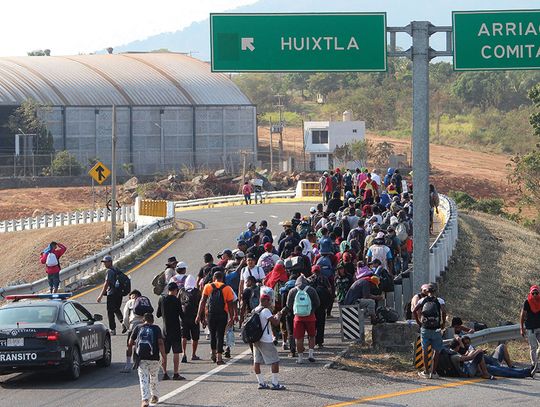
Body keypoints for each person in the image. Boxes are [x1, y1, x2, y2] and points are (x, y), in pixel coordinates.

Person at [196, 271, 235, 365]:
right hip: (222, 314)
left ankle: (213, 354)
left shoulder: (207, 286)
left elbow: (203, 301)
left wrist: (198, 315)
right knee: (220, 335)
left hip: (210, 314)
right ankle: (219, 357)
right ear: (222, 278)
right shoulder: (227, 288)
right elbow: (230, 304)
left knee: (212, 334)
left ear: (214, 278)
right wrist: (232, 317)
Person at [129, 313, 166, 407]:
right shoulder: (156, 328)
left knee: (143, 379)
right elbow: (160, 343)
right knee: (153, 377)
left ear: (143, 320)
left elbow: (130, 342)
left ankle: (145, 400)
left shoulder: (138, 327)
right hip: (154, 358)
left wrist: (132, 353)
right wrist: (164, 356)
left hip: (141, 358)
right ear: (152, 320)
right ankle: (155, 396)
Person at [252, 291, 286, 390]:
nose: (270, 303)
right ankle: (275, 383)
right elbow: (275, 323)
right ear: (265, 301)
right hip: (266, 340)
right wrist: (278, 316)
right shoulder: (266, 310)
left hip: (256, 339)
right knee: (275, 360)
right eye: (269, 301)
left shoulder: (255, 309)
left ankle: (261, 383)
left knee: (256, 361)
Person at [413, 283, 447, 379]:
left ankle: (426, 372)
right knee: (436, 350)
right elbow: (444, 311)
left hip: (425, 328)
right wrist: (443, 323)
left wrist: (419, 322)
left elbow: (414, 311)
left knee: (425, 350)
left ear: (427, 292)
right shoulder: (440, 300)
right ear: (435, 291)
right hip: (436, 328)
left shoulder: (422, 300)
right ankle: (434, 372)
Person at [285, 275, 320, 364]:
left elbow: (288, 305)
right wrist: (311, 310)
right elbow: (317, 303)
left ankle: (300, 358)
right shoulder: (311, 290)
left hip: (298, 318)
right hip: (310, 316)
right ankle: (311, 355)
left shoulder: (292, 291)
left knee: (299, 338)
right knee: (311, 336)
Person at [157, 282, 184, 380]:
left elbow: (158, 314)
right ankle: (176, 373)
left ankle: (164, 373)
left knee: (164, 353)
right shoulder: (176, 300)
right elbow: (181, 315)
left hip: (165, 330)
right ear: (175, 290)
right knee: (176, 352)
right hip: (175, 329)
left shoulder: (162, 299)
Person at [122, 290, 153, 372]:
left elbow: (125, 316)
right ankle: (140, 363)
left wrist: (127, 326)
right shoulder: (144, 302)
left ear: (132, 295)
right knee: (143, 343)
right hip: (144, 324)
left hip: (134, 324)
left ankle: (128, 365)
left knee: (129, 344)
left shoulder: (129, 302)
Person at [96, 255, 124, 335]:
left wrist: (100, 296)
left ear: (110, 262)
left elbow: (106, 283)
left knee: (110, 312)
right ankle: (123, 323)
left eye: (106, 262)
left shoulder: (109, 271)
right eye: (104, 262)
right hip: (119, 293)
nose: (104, 264)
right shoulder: (116, 269)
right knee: (116, 309)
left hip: (112, 293)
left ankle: (112, 329)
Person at [179, 275, 201, 362]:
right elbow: (201, 304)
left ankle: (183, 353)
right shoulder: (197, 292)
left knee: (183, 336)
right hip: (194, 316)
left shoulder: (181, 291)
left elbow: (178, 302)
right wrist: (201, 317)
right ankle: (193, 354)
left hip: (184, 317)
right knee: (195, 337)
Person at [520, 285, 540, 372]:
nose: (535, 295)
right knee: (533, 347)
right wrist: (521, 328)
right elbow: (522, 315)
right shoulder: (527, 302)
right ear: (530, 293)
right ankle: (534, 365)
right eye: (533, 293)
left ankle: (536, 361)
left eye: (537, 293)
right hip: (530, 328)